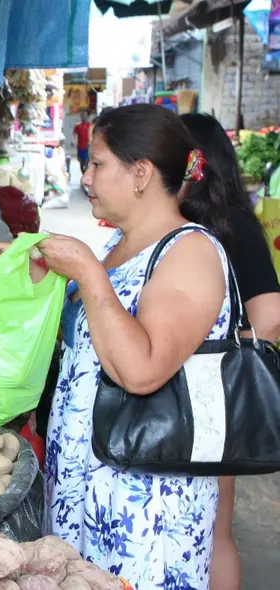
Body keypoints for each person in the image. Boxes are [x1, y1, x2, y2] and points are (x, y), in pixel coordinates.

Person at [0, 104, 233, 590]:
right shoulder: (120, 244)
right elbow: (86, 346)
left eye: (97, 163)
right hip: (85, 483)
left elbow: (142, 370)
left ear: (140, 173)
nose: (85, 175)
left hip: (145, 501)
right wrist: (27, 272)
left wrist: (88, 273)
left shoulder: (190, 251)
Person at [181, 112, 280, 590]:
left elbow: (271, 315)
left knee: (213, 528)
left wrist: (217, 354)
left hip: (209, 395)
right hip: (199, 391)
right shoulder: (225, 219)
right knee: (214, 529)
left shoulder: (226, 223)